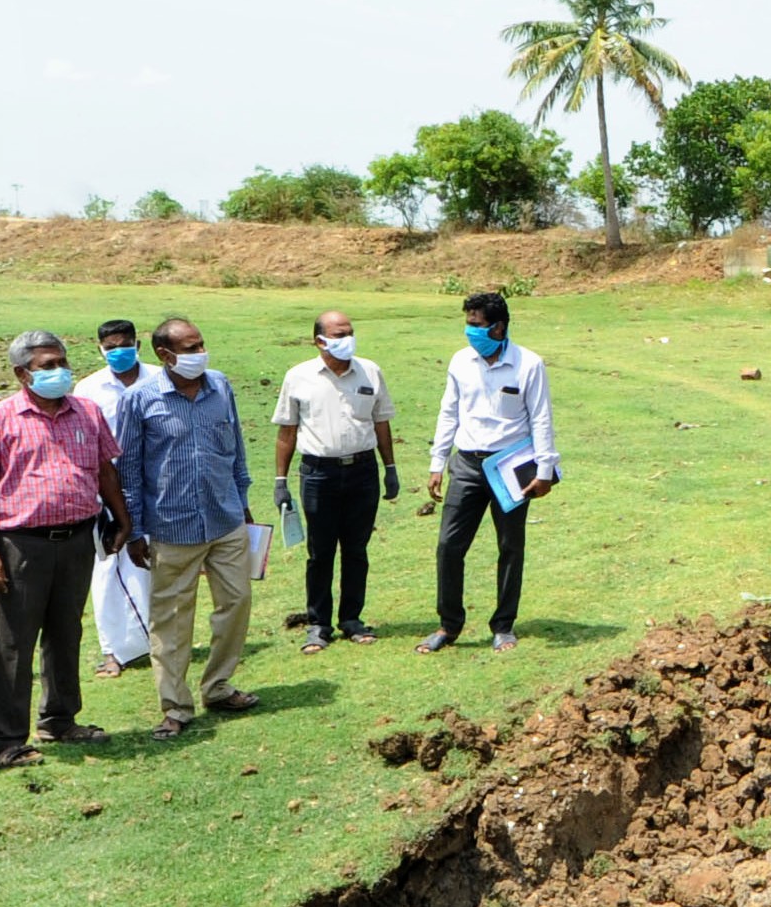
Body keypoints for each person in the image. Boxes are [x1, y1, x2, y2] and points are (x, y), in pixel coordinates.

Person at [0, 331, 132, 767]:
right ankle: (6, 740)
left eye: (61, 362)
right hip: (21, 545)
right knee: (10, 643)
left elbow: (104, 470)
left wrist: (122, 517)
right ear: (22, 374)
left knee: (66, 632)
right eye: (46, 366)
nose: (59, 371)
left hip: (77, 539)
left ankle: (60, 718)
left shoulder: (87, 411)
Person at [113, 318, 258, 738]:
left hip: (225, 518)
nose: (199, 354)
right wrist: (135, 529)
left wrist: (243, 501)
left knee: (236, 603)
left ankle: (218, 686)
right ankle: (176, 706)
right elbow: (130, 469)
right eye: (189, 347)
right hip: (170, 527)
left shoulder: (220, 386)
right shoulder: (140, 398)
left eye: (201, 345)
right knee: (173, 621)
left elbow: (237, 449)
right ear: (164, 354)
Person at [419, 292, 557, 654]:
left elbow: (541, 418)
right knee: (449, 545)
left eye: (476, 325)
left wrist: (544, 470)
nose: (470, 332)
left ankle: (503, 626)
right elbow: (449, 412)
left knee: (510, 546)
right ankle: (449, 625)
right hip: (466, 464)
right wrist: (438, 462)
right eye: (467, 324)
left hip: (511, 467)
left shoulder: (528, 364)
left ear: (499, 327)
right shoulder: (461, 362)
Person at [272, 311, 400, 652]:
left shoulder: (370, 371)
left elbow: (382, 422)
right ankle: (318, 623)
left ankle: (352, 619)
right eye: (339, 334)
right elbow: (287, 431)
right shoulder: (299, 377)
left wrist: (390, 468)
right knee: (320, 551)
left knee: (356, 549)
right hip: (318, 473)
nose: (347, 339)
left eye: (350, 332)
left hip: (362, 470)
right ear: (320, 341)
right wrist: (280, 480)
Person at [74, 319, 155, 679]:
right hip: (106, 486)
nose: (118, 352)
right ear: (100, 349)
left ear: (139, 345)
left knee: (152, 562)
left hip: (156, 485)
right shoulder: (89, 388)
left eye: (125, 345)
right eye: (110, 347)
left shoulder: (159, 379)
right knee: (107, 566)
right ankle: (112, 650)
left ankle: (153, 642)